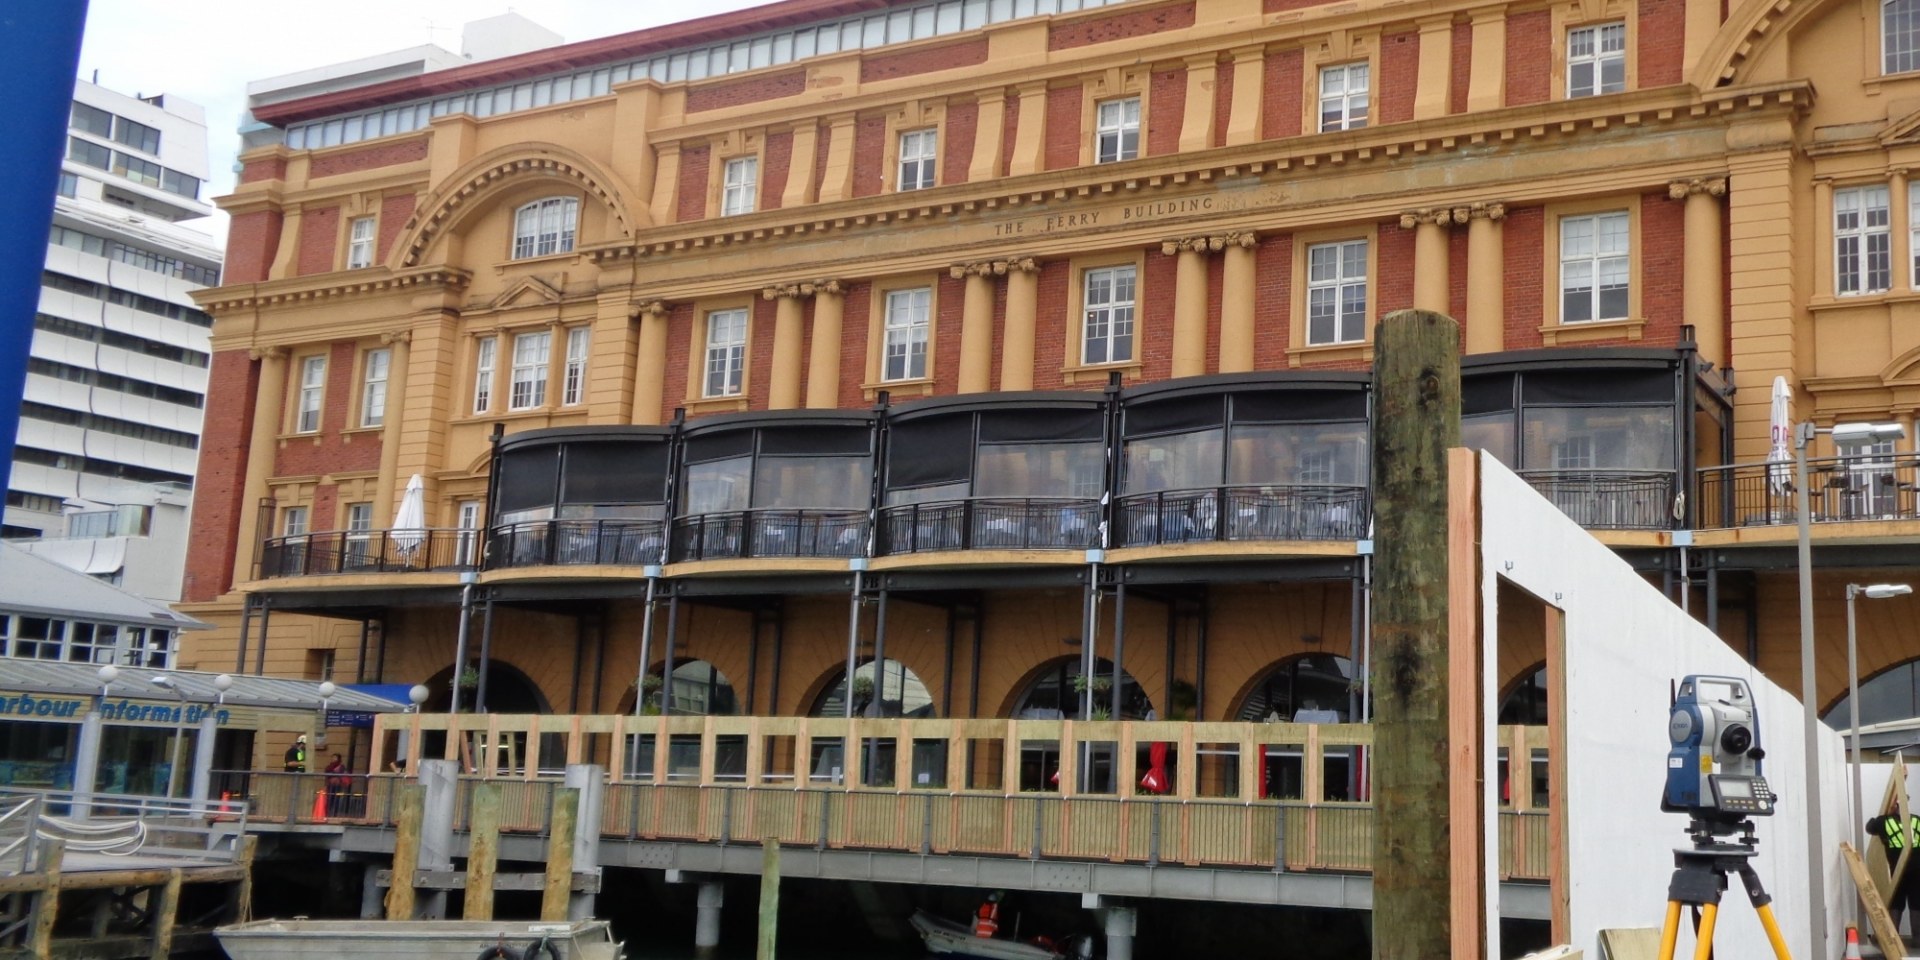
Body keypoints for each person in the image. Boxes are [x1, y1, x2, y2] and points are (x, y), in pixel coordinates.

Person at [1867, 808, 1920, 930]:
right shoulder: (1917, 820)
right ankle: (1917, 939)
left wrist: (1882, 813)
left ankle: (1893, 938)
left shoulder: (1883, 821)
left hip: (1897, 870)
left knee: (1896, 902)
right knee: (1916, 902)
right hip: (1917, 869)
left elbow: (1869, 827)